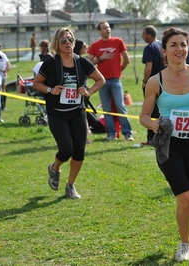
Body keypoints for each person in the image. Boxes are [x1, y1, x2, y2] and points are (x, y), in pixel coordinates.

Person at [139, 27, 189, 262]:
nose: (179, 49)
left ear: (188, 47)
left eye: (183, 44)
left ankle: (183, 209)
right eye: (173, 45)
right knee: (185, 197)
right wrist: (154, 125)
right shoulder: (156, 81)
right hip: (168, 146)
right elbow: (143, 115)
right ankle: (185, 244)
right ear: (164, 51)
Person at [33, 27, 105, 199]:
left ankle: (70, 186)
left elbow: (100, 79)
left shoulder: (81, 62)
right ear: (57, 44)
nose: (68, 43)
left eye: (70, 39)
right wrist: (50, 89)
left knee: (79, 151)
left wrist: (88, 92)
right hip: (57, 113)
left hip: (77, 112)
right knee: (66, 149)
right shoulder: (50, 62)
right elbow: (37, 83)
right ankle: (55, 168)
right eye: (63, 40)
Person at [88, 21, 133, 141]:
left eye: (108, 27)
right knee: (106, 108)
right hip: (101, 82)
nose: (107, 30)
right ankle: (111, 134)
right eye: (104, 28)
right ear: (99, 31)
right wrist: (101, 58)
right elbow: (89, 63)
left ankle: (128, 133)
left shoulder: (118, 42)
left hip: (115, 80)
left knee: (120, 106)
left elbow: (127, 60)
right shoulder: (95, 45)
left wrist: (118, 71)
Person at [141, 25, 165, 144]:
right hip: (166, 81)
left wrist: (145, 81)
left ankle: (152, 139)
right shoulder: (162, 45)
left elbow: (148, 68)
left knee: (150, 112)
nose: (142, 36)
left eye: (143, 34)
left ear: (149, 35)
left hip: (153, 83)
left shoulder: (149, 47)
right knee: (162, 111)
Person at [74, 39, 93, 144]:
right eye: (84, 46)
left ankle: (84, 134)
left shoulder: (80, 60)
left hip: (83, 89)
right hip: (81, 91)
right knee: (81, 114)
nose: (86, 48)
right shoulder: (79, 60)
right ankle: (84, 137)